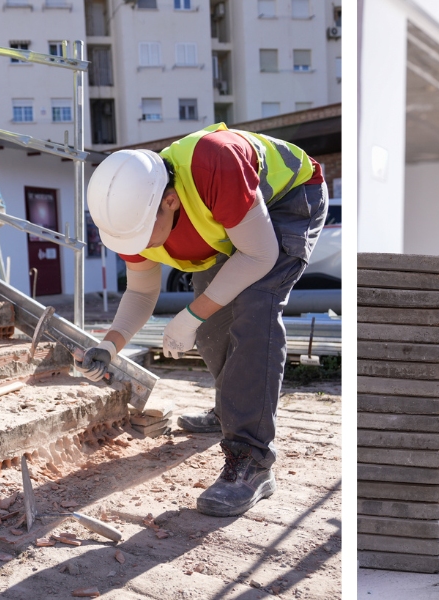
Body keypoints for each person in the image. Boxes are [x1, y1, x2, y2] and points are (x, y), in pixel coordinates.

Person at [78, 123, 326, 517]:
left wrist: (191, 314)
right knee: (212, 327)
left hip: (288, 201)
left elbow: (260, 255)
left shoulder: (215, 163)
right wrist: (109, 345)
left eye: (144, 235)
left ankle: (253, 461)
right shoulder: (134, 217)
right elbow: (141, 292)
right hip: (237, 223)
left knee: (255, 308)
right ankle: (230, 412)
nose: (139, 247)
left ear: (172, 201)